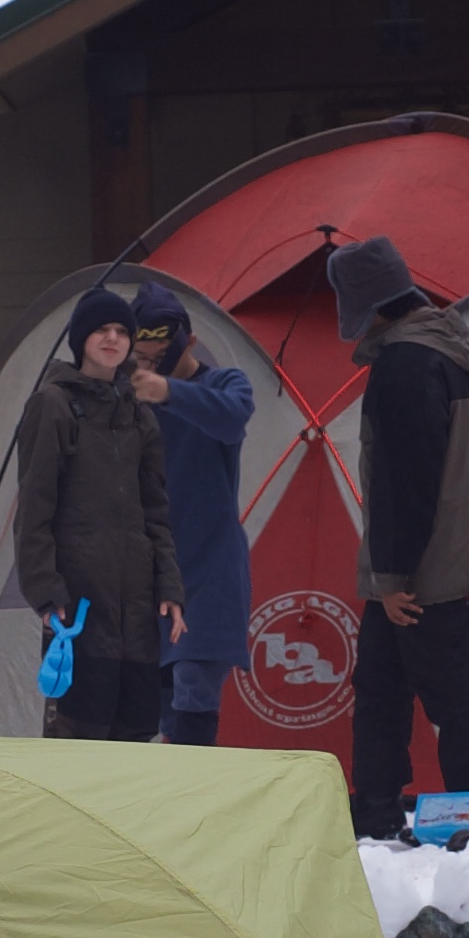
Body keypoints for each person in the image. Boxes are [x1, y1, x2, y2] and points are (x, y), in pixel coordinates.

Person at [330, 235, 469, 840]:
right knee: (379, 687)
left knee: (450, 698)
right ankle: (376, 815)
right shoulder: (443, 348)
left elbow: (405, 482)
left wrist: (392, 578)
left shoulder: (405, 364)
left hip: (419, 571)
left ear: (369, 306)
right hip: (435, 558)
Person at [7, 283, 181, 743]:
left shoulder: (139, 414)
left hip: (138, 610)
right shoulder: (54, 404)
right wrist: (46, 592)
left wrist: (168, 583)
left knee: (136, 737)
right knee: (79, 738)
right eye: (101, 329)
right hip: (80, 606)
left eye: (122, 330)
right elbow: (34, 507)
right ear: (81, 338)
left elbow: (156, 509)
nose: (112, 338)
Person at [129, 284, 257, 747]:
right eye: (140, 356)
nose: (149, 365)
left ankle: (193, 787)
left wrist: (168, 393)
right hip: (151, 572)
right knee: (161, 695)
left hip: (210, 568)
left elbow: (232, 418)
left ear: (188, 342)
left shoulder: (225, 384)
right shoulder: (129, 397)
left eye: (159, 354)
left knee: (194, 685)